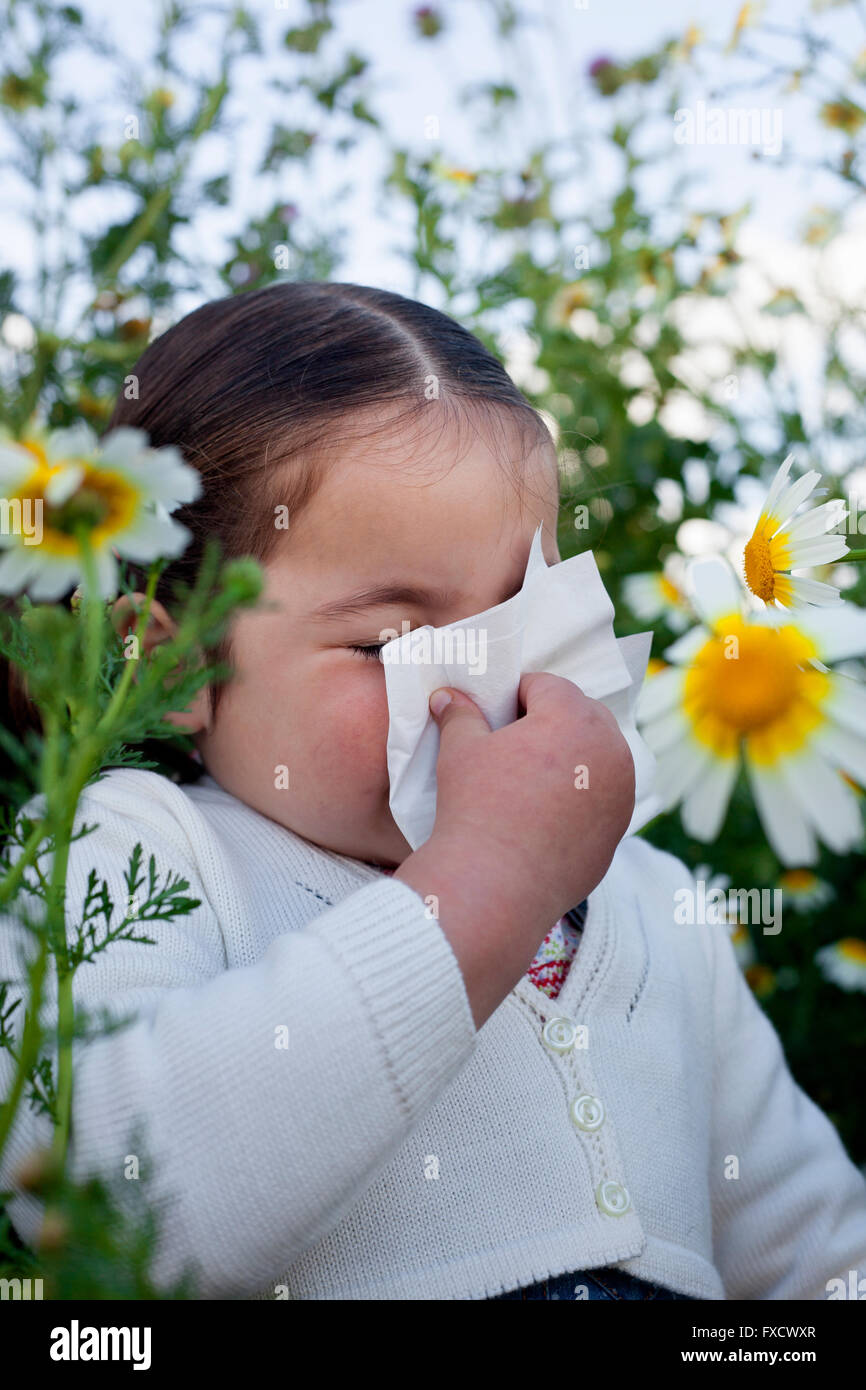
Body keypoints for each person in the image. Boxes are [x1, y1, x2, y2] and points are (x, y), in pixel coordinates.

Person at [1, 282, 865, 1301]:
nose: (472, 682)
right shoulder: (128, 848)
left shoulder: (650, 900)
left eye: (522, 616)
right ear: (175, 663)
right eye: (389, 641)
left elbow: (813, 1251)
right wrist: (483, 885)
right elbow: (111, 1208)